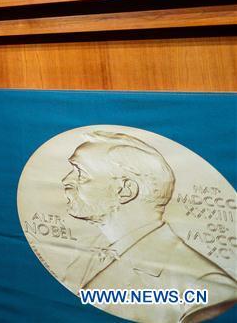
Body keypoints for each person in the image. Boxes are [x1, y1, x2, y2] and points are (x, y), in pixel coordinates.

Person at [60, 131, 237, 322]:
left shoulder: (209, 289)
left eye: (80, 173)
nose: (66, 180)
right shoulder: (83, 261)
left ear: (126, 190)